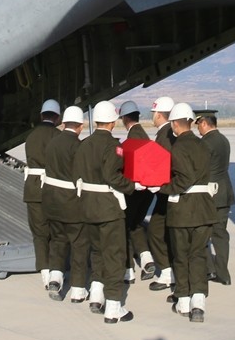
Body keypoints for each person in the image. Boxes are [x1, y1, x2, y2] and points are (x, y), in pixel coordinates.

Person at [74, 100, 138, 324]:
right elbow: (113, 176)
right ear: (112, 122)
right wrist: (132, 186)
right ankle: (113, 306)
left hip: (87, 207)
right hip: (109, 209)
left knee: (97, 252)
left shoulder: (83, 145)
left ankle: (96, 295)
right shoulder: (114, 146)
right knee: (114, 255)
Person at [159, 102, 217, 321]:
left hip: (182, 209)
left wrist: (163, 188)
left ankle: (183, 300)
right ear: (191, 122)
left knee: (181, 256)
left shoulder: (178, 147)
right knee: (199, 255)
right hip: (203, 208)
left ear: (174, 124)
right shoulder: (204, 145)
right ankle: (199, 302)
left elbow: (185, 178)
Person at [41, 106, 88, 301]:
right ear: (80, 126)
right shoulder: (78, 147)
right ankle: (77, 289)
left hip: (51, 201)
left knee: (58, 240)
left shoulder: (52, 143)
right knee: (79, 244)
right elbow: (80, 175)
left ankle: (55, 278)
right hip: (71, 203)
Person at [23, 99, 60, 288]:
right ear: (58, 117)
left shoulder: (31, 136)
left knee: (39, 233)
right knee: (55, 231)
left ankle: (44, 272)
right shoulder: (57, 136)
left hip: (33, 188)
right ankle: (55, 271)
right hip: (53, 188)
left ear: (41, 116)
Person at [196, 110, 235, 285]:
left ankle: (208, 269)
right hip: (224, 192)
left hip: (208, 193)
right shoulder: (223, 140)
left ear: (204, 123)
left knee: (201, 233)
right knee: (220, 235)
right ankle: (223, 274)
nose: (198, 129)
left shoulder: (204, 143)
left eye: (198, 125)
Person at [119, 100, 154, 280]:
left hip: (134, 190)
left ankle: (128, 269)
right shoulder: (145, 135)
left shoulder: (132, 138)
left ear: (125, 118)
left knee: (124, 226)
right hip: (147, 191)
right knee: (136, 224)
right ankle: (147, 260)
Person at [146, 96, 177, 292]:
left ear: (158, 114)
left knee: (155, 231)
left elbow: (162, 163)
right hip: (169, 192)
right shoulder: (170, 133)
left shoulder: (164, 135)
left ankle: (167, 274)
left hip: (166, 193)